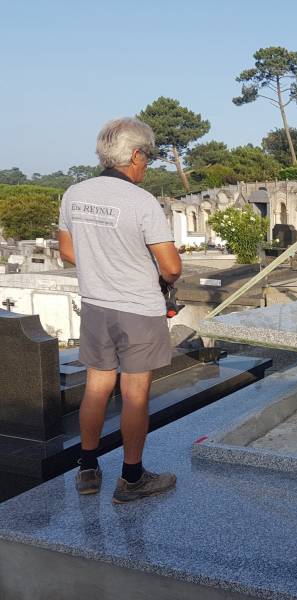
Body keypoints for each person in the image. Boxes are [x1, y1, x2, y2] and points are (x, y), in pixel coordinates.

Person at [57, 117, 182, 504]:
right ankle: (131, 478)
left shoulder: (74, 194)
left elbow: (66, 251)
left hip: (96, 305)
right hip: (138, 310)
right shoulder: (141, 202)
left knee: (96, 386)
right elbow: (172, 266)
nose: (146, 166)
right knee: (135, 394)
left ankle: (88, 470)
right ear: (135, 155)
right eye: (146, 159)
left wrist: (101, 266)